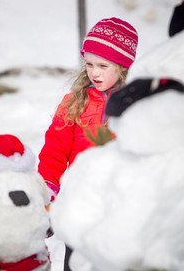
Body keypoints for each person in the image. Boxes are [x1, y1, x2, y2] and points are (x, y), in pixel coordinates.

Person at [38, 17, 138, 271]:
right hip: (80, 203)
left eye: (103, 65)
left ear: (123, 67)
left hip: (122, 202)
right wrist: (47, 187)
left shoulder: (137, 106)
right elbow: (54, 151)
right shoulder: (74, 103)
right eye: (89, 64)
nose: (94, 72)